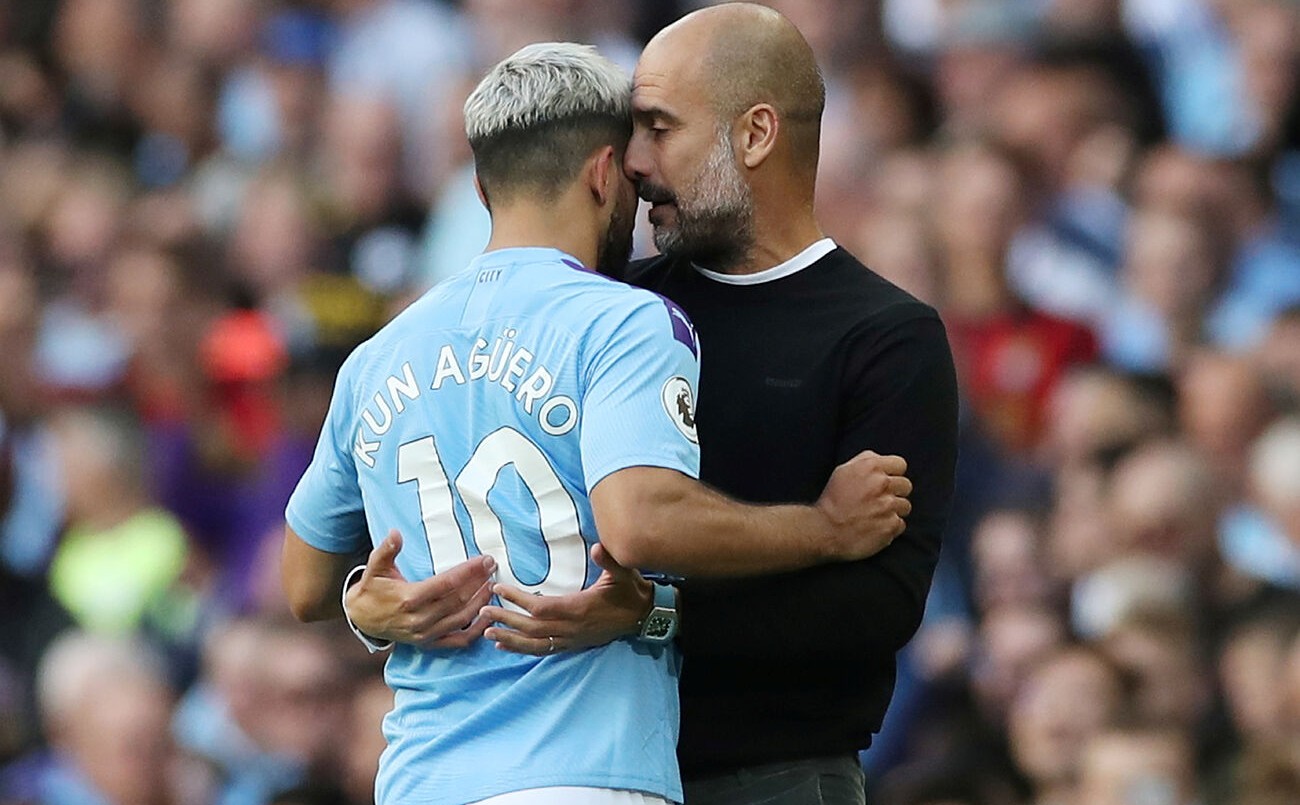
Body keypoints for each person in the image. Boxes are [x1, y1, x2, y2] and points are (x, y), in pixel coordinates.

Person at [347, 6, 960, 804]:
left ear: (756, 134)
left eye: (659, 127)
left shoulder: (887, 339)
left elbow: (874, 610)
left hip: (769, 778)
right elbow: (442, 509)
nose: (631, 161)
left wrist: (653, 613)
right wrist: (364, 596)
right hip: (581, 775)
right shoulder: (612, 311)